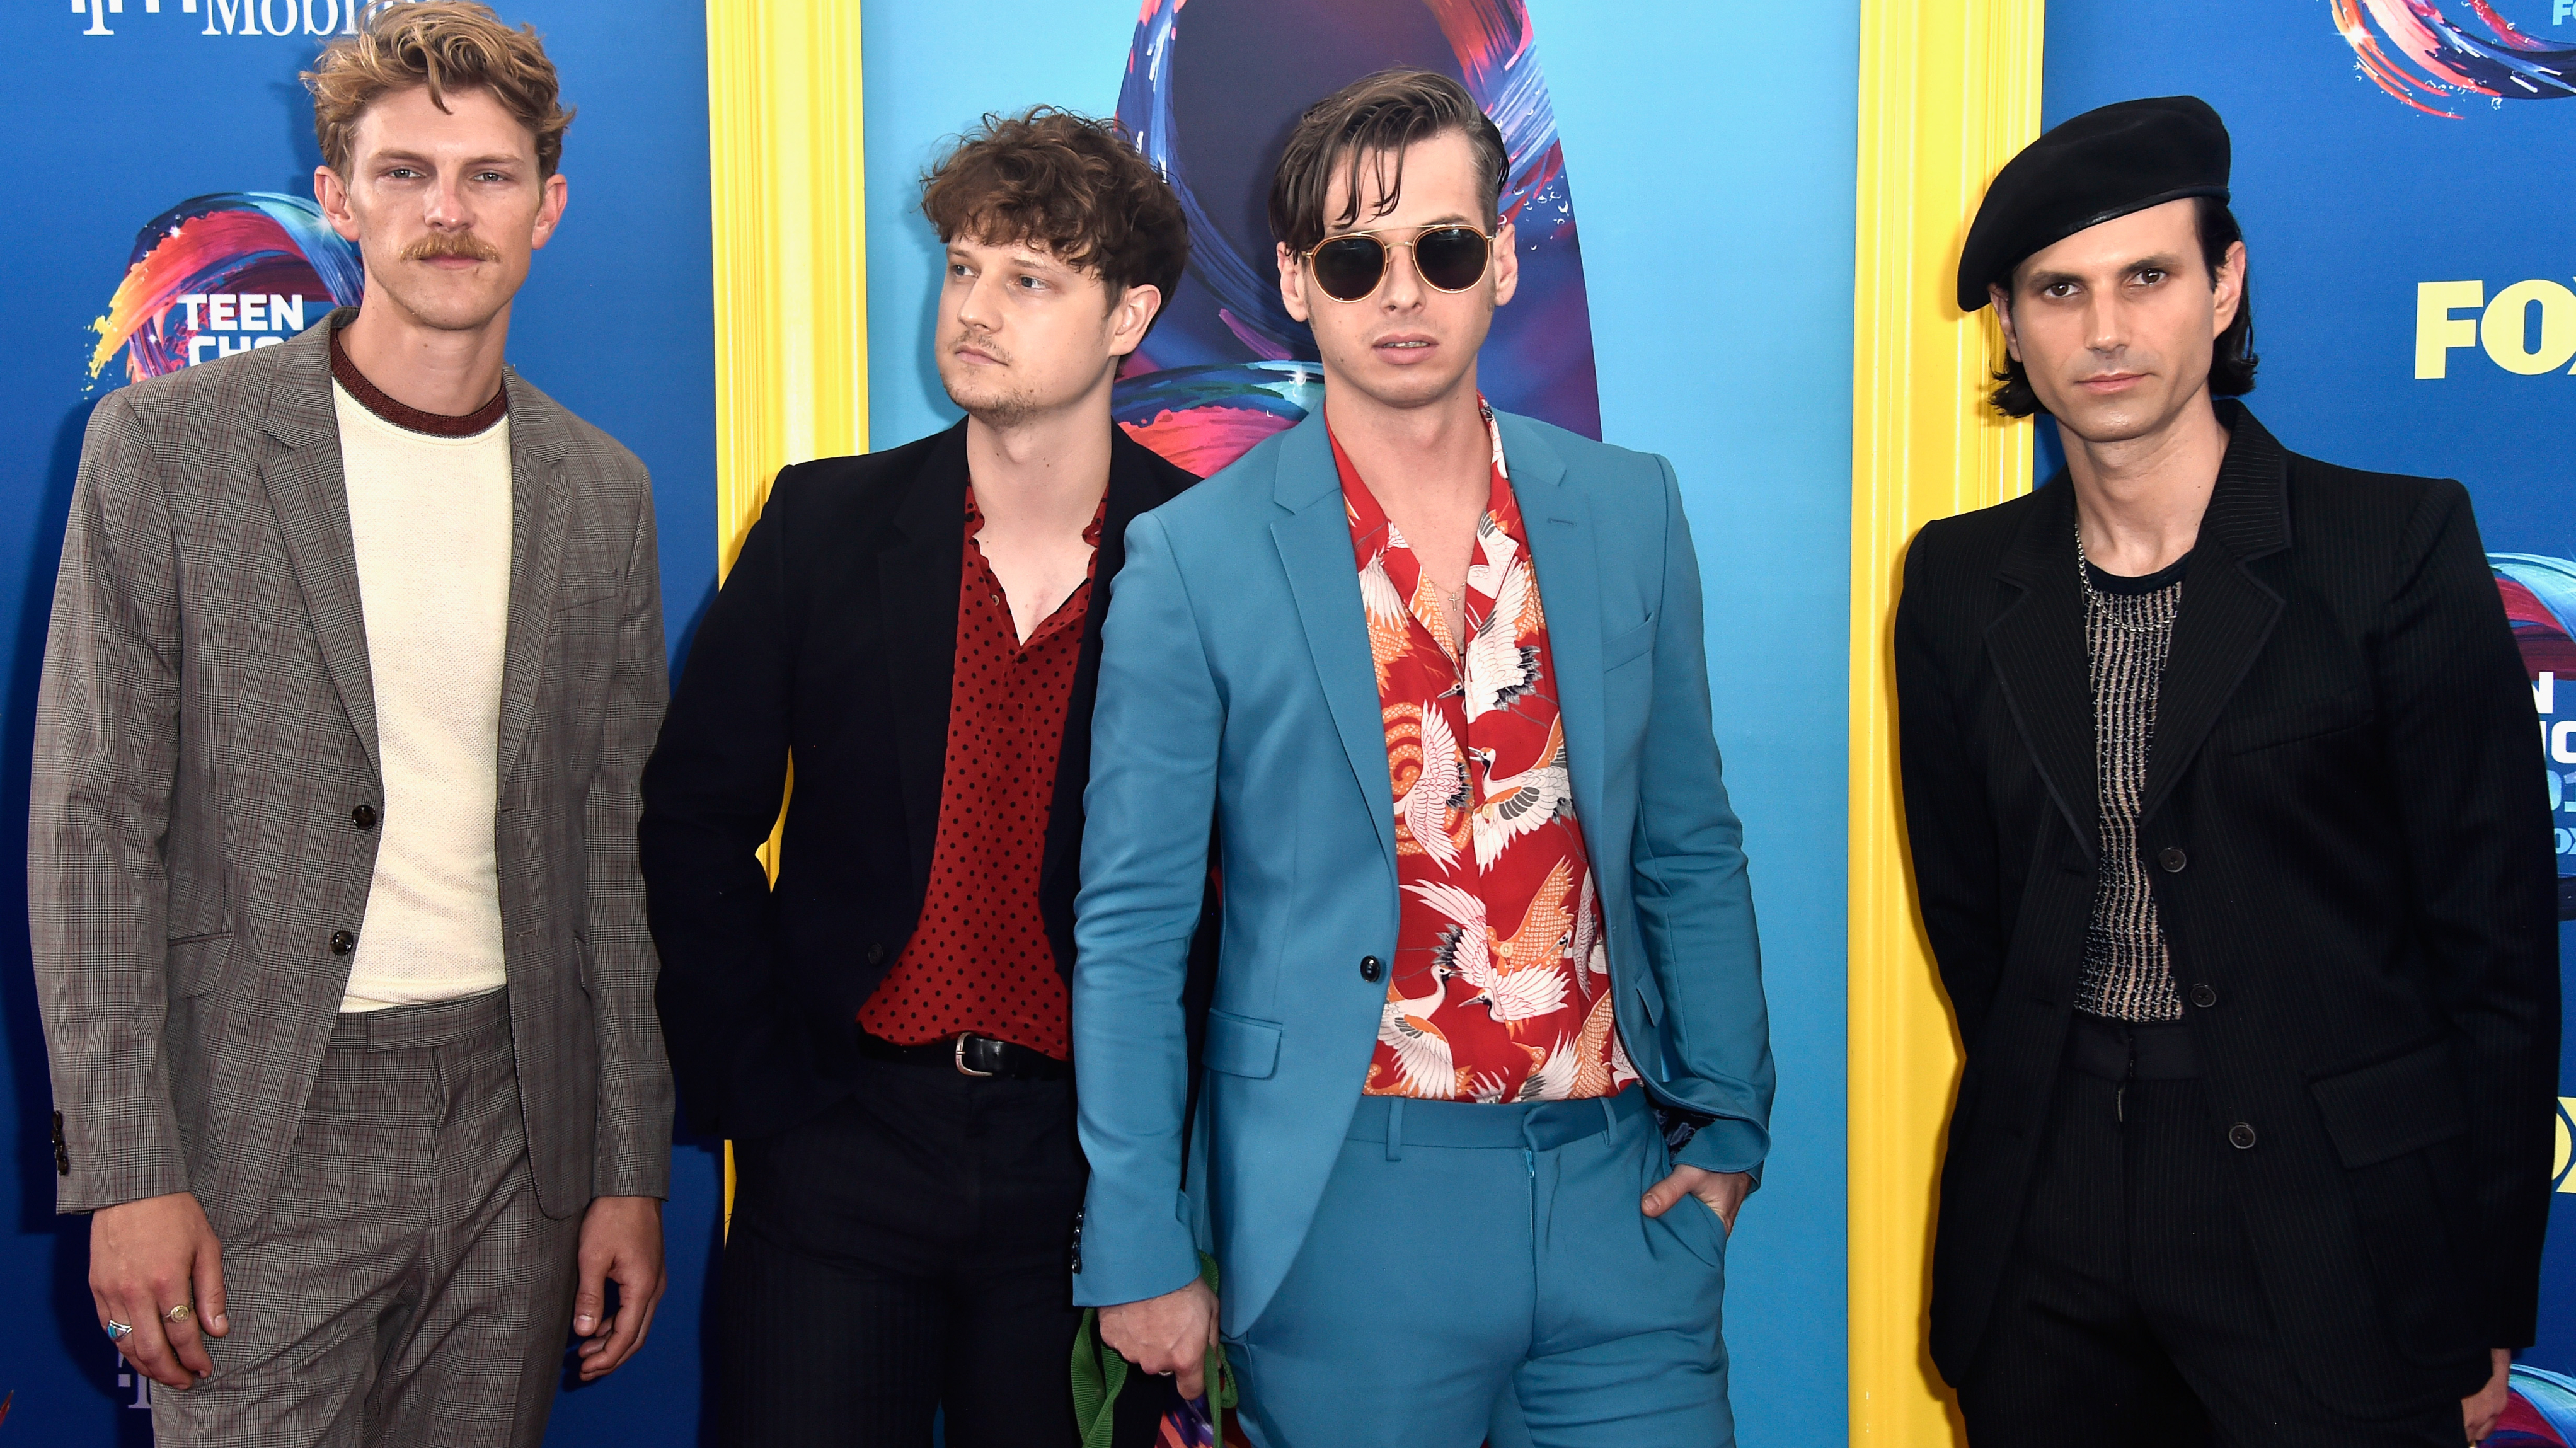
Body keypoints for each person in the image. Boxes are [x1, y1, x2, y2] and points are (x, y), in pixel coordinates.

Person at [1068, 68, 1773, 1448]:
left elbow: (1688, 840)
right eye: (1355, 256)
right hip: (1343, 1207)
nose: (1402, 293)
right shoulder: (1191, 558)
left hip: (1618, 1196)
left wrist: (1733, 1126)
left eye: (1443, 249)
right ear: (1293, 279)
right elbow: (1135, 930)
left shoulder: (1628, 511)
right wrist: (1140, 1241)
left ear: (1502, 258)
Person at [30, 4, 674, 1444]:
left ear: (548, 206)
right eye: (403, 174)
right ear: (336, 199)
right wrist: (129, 1168)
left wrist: (625, 1162)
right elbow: (90, 831)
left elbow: (607, 858)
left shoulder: (601, 490)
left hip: (522, 1127)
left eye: (489, 176)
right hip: (260, 1120)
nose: (448, 214)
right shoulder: (164, 449)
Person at [1896, 95, 2558, 1447]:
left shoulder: (2393, 548)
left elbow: (2490, 950)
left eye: (2147, 277)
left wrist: (2484, 1290)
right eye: (2057, 291)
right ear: (2012, 327)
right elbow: (1975, 914)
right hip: (2047, 1223)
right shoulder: (1961, 584)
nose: (2104, 329)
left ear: (2224, 285)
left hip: (2340, 1232)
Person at [640, 108, 1201, 1447]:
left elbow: (1262, 884)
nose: (975, 310)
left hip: (1091, 1168)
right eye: (961, 267)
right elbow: (692, 818)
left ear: (1129, 316)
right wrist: (761, 1094)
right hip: (838, 1144)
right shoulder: (823, 523)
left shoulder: (1205, 554)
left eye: (1029, 279)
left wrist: (1182, 1182)